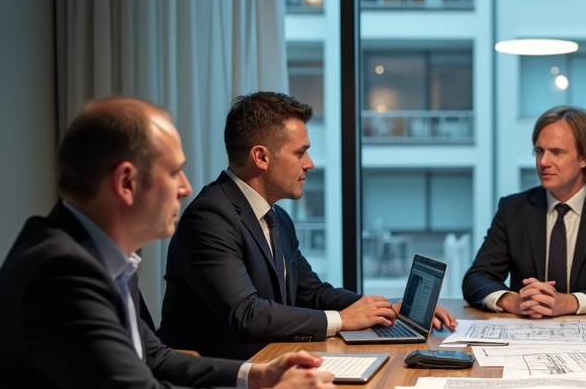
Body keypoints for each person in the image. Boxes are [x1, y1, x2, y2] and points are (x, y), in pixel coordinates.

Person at [0, 97, 337, 389]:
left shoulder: (101, 255)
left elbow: (155, 359)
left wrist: (257, 375)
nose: (186, 187)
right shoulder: (62, 270)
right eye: (174, 172)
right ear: (127, 183)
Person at [158, 92, 456, 361]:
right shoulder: (211, 216)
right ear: (261, 157)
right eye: (300, 153)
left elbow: (311, 293)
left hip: (272, 363)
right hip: (214, 383)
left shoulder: (278, 218)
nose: (310, 163)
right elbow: (247, 315)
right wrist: (341, 320)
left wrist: (384, 309)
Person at [462, 106, 586, 317]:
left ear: (584, 157)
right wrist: (513, 301)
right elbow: (476, 278)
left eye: (556, 152)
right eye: (539, 151)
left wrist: (569, 302)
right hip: (526, 334)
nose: (543, 162)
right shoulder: (513, 209)